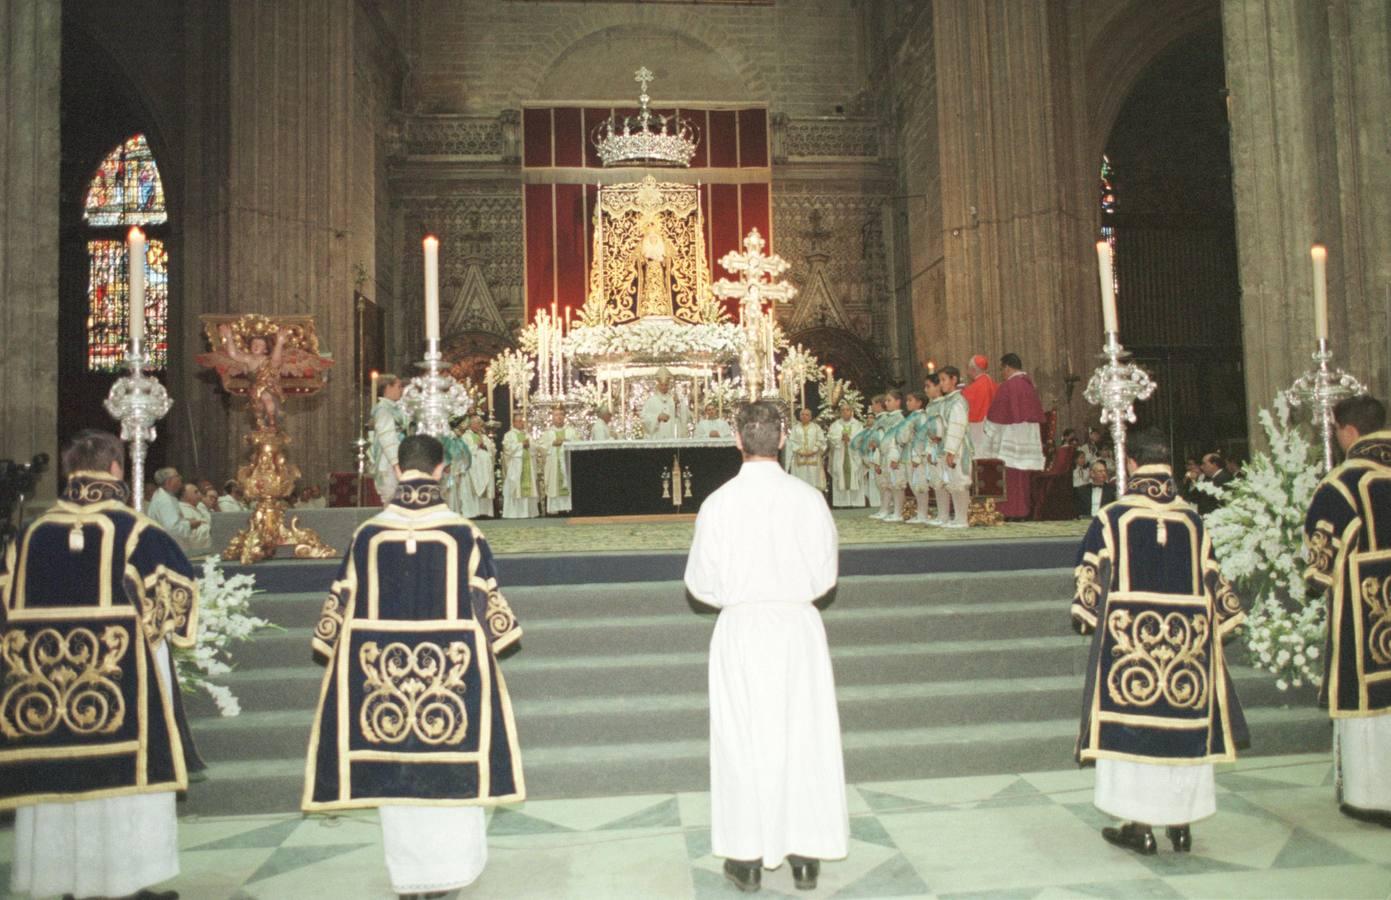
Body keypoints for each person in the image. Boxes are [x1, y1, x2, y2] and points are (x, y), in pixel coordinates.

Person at [303, 434, 525, 896]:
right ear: (442, 470)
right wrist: (502, 637)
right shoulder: (464, 533)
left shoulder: (367, 534)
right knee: (450, 768)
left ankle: (409, 877)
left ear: (398, 469)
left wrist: (326, 642)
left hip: (380, 677)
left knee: (395, 769)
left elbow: (339, 600)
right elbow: (489, 605)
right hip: (450, 675)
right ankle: (450, 875)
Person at [1, 429, 202, 900]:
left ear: (72, 471)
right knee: (122, 786)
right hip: (116, 692)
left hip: (44, 695)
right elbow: (177, 603)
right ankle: (122, 882)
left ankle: (57, 878)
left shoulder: (29, 536)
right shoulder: (136, 531)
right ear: (115, 469)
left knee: (56, 780)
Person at [684, 402, 848, 893]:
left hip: (742, 629)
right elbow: (825, 575)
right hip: (797, 628)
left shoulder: (718, 503)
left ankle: (747, 857)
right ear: (781, 439)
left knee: (742, 740)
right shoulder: (809, 498)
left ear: (737, 439)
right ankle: (804, 855)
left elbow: (701, 584)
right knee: (805, 735)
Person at [1070, 429, 1247, 856]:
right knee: (1179, 728)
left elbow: (1088, 577)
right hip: (1187, 648)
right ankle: (1181, 824)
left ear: (1131, 464)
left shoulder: (1113, 517)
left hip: (1132, 645)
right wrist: (1222, 620)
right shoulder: (1193, 519)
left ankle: (1140, 825)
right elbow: (1216, 585)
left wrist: (1086, 615)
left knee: (1134, 731)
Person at [1302, 394, 1391, 827]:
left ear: (1348, 431)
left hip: (1368, 612)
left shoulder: (1343, 483)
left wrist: (1313, 582)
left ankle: (1371, 796)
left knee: (1367, 697)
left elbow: (1321, 553)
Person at [982, 353, 1046, 519]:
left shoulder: (1008, 386)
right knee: (1022, 476)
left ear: (1008, 367)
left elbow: (997, 413)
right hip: (1028, 435)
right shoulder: (1028, 384)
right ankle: (1023, 510)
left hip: (1012, 436)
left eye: (1002, 369)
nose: (1002, 373)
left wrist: (989, 430)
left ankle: (1010, 511)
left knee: (1010, 475)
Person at [933, 366, 974, 528]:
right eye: (940, 380)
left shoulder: (957, 401)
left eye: (944, 380)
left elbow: (957, 426)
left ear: (954, 380)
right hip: (947, 446)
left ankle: (962, 518)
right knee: (952, 482)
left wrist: (951, 451)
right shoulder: (947, 402)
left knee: (960, 482)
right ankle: (957, 517)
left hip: (958, 448)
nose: (941, 384)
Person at [370, 374, 410, 506]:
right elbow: (387, 437)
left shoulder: (395, 407)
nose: (401, 390)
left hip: (400, 455)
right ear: (388, 387)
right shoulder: (383, 409)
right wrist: (396, 464)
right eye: (398, 386)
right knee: (392, 498)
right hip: (389, 460)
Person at [149, 466, 210, 552]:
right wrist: (190, 525)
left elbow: (171, 522)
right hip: (169, 550)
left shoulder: (166, 496)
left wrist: (185, 521)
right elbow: (173, 529)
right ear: (169, 481)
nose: (180, 478)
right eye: (177, 476)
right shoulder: (164, 500)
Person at [901, 390, 934, 524]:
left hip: (918, 454)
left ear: (919, 403)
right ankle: (920, 512)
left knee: (920, 484)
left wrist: (918, 456)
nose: (907, 403)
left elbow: (922, 438)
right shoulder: (911, 417)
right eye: (907, 400)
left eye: (910, 400)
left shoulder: (921, 417)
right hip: (909, 452)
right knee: (914, 484)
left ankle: (923, 514)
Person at [453, 415, 496, 519]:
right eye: (476, 423)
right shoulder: (466, 437)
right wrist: (477, 446)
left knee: (485, 488)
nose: (478, 426)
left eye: (480, 423)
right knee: (470, 489)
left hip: (484, 468)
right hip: (472, 468)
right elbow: (464, 451)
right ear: (470, 425)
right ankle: (472, 513)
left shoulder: (484, 437)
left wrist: (485, 446)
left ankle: (485, 512)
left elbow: (492, 450)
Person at [874, 390, 907, 522]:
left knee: (897, 483)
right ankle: (886, 509)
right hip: (885, 453)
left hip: (895, 453)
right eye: (886, 401)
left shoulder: (900, 419)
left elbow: (900, 440)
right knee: (887, 482)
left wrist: (895, 457)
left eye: (889, 400)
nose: (886, 403)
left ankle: (898, 511)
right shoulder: (886, 418)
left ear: (898, 402)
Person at [539, 406, 579, 515]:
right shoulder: (548, 433)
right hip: (553, 464)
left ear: (564, 416)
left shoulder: (571, 431)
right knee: (554, 485)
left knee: (568, 484)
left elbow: (577, 444)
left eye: (561, 414)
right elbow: (541, 447)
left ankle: (568, 508)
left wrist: (566, 442)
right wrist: (552, 443)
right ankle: (554, 509)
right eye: (556, 415)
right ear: (552, 417)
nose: (559, 417)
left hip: (567, 464)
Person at [826, 402, 866, 508]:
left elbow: (861, 437)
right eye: (842, 410)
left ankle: (856, 502)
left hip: (853, 454)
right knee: (839, 475)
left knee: (855, 474)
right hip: (840, 453)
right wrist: (840, 438)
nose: (845, 412)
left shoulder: (858, 424)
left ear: (851, 412)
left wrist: (850, 438)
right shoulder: (835, 425)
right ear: (840, 412)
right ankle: (841, 503)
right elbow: (831, 437)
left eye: (847, 410)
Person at [501, 411, 539, 519]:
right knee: (516, 487)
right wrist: (521, 444)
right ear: (513, 423)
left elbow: (535, 448)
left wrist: (529, 445)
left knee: (529, 487)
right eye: (517, 421)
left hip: (528, 464)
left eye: (521, 421)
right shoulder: (509, 435)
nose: (520, 424)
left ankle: (529, 512)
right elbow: (507, 449)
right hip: (516, 466)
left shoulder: (527, 435)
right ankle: (514, 513)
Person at [852, 396, 885, 514]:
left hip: (878, 456)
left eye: (872, 417)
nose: (870, 419)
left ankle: (884, 505)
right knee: (873, 481)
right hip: (868, 458)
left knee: (882, 481)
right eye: (868, 417)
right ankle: (875, 504)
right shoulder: (864, 431)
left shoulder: (880, 426)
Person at [960, 354, 998, 451]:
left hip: (979, 427)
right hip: (993, 426)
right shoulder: (992, 383)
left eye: (968, 369)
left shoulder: (975, 386)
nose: (968, 372)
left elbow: (962, 402)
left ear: (973, 369)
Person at [785, 407, 827, 492]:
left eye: (807, 415)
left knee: (813, 478)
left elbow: (821, 440)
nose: (804, 416)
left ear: (811, 417)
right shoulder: (795, 428)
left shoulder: (816, 428)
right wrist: (800, 451)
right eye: (802, 415)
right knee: (801, 479)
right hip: (799, 457)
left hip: (814, 458)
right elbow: (791, 442)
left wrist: (813, 450)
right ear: (800, 416)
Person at [641, 367, 686, 439]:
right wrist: (657, 417)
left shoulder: (673, 400)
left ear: (669, 385)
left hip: (671, 435)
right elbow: (644, 418)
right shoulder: (651, 401)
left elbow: (681, 418)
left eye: (666, 385)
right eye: (662, 385)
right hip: (657, 436)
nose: (664, 387)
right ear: (658, 385)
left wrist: (678, 406)